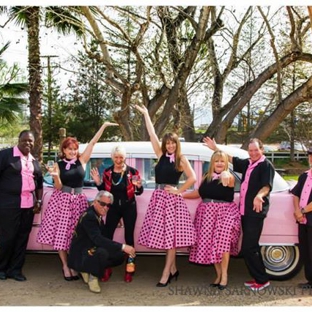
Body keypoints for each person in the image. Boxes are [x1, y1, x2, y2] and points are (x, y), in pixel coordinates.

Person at [37, 121, 118, 281]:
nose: (73, 152)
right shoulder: (58, 165)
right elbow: (59, 187)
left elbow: (93, 142)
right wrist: (55, 176)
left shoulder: (82, 161)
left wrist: (103, 126)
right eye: (69, 149)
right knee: (61, 235)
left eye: (75, 149)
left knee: (78, 235)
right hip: (62, 201)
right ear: (64, 150)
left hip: (79, 201)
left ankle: (77, 265)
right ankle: (66, 266)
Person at [135, 104, 196, 287]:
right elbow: (152, 135)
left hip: (172, 201)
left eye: (173, 143)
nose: (170, 145)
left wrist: (179, 191)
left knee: (171, 239)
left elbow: (193, 178)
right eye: (168, 143)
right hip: (158, 198)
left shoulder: (181, 159)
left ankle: (165, 274)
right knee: (166, 237)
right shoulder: (160, 154)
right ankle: (173, 269)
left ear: (177, 144)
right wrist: (146, 114)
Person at [203, 137, 274, 291]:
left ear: (262, 149)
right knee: (248, 247)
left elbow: (266, 186)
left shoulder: (266, 165)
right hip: (244, 211)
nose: (253, 153)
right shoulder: (248, 163)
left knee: (250, 247)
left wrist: (259, 196)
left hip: (255, 211)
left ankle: (262, 280)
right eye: (251, 150)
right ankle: (258, 277)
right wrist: (215, 148)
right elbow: (230, 159)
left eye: (256, 150)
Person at [183, 150, 241, 290]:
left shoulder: (229, 176)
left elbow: (227, 177)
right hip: (207, 213)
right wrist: (180, 194)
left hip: (225, 212)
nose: (219, 163)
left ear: (226, 163)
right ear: (212, 163)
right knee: (211, 245)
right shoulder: (206, 176)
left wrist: (225, 173)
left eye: (222, 161)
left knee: (223, 244)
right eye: (216, 161)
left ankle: (225, 275)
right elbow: (198, 193)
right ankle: (219, 274)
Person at [90, 145, 144, 283]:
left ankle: (129, 268)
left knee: (129, 237)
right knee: (107, 236)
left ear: (125, 157)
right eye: (116, 157)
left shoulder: (132, 172)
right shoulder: (107, 172)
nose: (118, 160)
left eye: (121, 157)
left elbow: (139, 191)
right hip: (113, 208)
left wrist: (139, 186)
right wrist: (97, 182)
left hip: (129, 207)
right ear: (112, 157)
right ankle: (107, 267)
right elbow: (104, 191)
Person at [68, 190, 136, 293]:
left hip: (88, 250)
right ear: (95, 201)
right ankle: (92, 276)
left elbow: (103, 236)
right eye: (103, 204)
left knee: (119, 256)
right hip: (80, 255)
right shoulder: (90, 216)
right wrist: (123, 246)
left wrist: (121, 248)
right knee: (102, 253)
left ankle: (87, 270)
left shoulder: (97, 215)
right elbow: (98, 239)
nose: (105, 207)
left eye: (108, 205)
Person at [0, 130, 43, 281]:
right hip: (8, 203)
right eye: (25, 140)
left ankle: (15, 270)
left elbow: (39, 184)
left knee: (22, 237)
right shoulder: (5, 155)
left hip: (28, 205)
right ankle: (2, 268)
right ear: (19, 140)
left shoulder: (33, 160)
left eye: (30, 141)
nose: (28, 143)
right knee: (7, 237)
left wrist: (38, 201)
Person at [292, 147, 312, 289]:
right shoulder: (304, 176)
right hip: (303, 220)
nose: (311, 158)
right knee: (305, 251)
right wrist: (298, 210)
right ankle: (310, 281)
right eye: (310, 156)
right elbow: (295, 194)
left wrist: (302, 211)